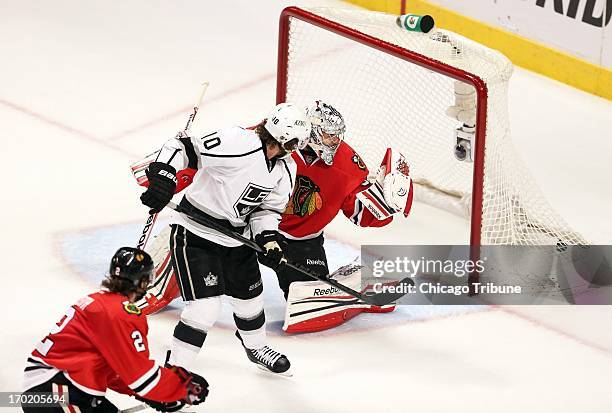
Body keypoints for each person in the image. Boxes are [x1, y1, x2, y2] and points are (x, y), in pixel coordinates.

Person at [132, 101, 412, 333]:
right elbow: (210, 158)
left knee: (305, 307)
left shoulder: (347, 164)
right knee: (190, 249)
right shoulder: (270, 142)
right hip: (243, 226)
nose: (335, 142)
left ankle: (363, 284)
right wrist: (165, 174)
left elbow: (360, 213)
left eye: (337, 135)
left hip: (299, 240)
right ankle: (162, 273)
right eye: (328, 136)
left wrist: (387, 204)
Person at [138, 103, 311, 375]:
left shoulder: (286, 168)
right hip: (196, 232)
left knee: (251, 300)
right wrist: (164, 177)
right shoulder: (237, 141)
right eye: (290, 144)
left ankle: (256, 347)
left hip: (235, 239)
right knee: (205, 308)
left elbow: (267, 209)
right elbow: (182, 147)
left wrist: (268, 239)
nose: (290, 150)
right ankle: (176, 372)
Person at [22, 247, 208, 413]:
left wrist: (148, 394)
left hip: (53, 390)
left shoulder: (98, 301)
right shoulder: (122, 312)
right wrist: (182, 387)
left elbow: (113, 372)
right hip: (60, 391)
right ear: (144, 282)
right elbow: (141, 376)